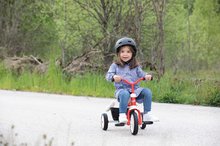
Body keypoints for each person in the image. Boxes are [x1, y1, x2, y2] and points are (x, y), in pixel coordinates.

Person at [106, 37, 159, 123]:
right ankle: (122, 114)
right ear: (118, 53)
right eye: (122, 51)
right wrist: (113, 77)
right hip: (121, 90)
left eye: (128, 52)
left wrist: (147, 76)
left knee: (147, 92)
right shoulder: (115, 65)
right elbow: (108, 75)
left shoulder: (136, 66)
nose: (125, 54)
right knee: (125, 93)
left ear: (132, 53)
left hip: (135, 90)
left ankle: (147, 114)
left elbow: (142, 74)